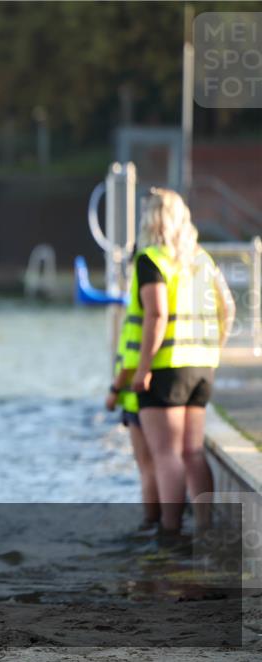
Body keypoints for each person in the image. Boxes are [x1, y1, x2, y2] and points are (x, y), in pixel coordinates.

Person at [126, 188, 235, 533]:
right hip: (202, 366)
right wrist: (214, 348)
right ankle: (205, 526)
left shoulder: (152, 259)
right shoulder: (200, 258)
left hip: (166, 368)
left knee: (166, 454)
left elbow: (156, 314)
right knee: (192, 452)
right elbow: (228, 307)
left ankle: (170, 532)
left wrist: (142, 369)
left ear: (151, 219)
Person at [106, 312, 160, 530]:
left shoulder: (137, 314)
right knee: (163, 461)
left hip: (136, 399)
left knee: (147, 467)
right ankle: (167, 520)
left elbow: (129, 359)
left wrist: (114, 390)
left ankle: (152, 523)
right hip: (163, 391)